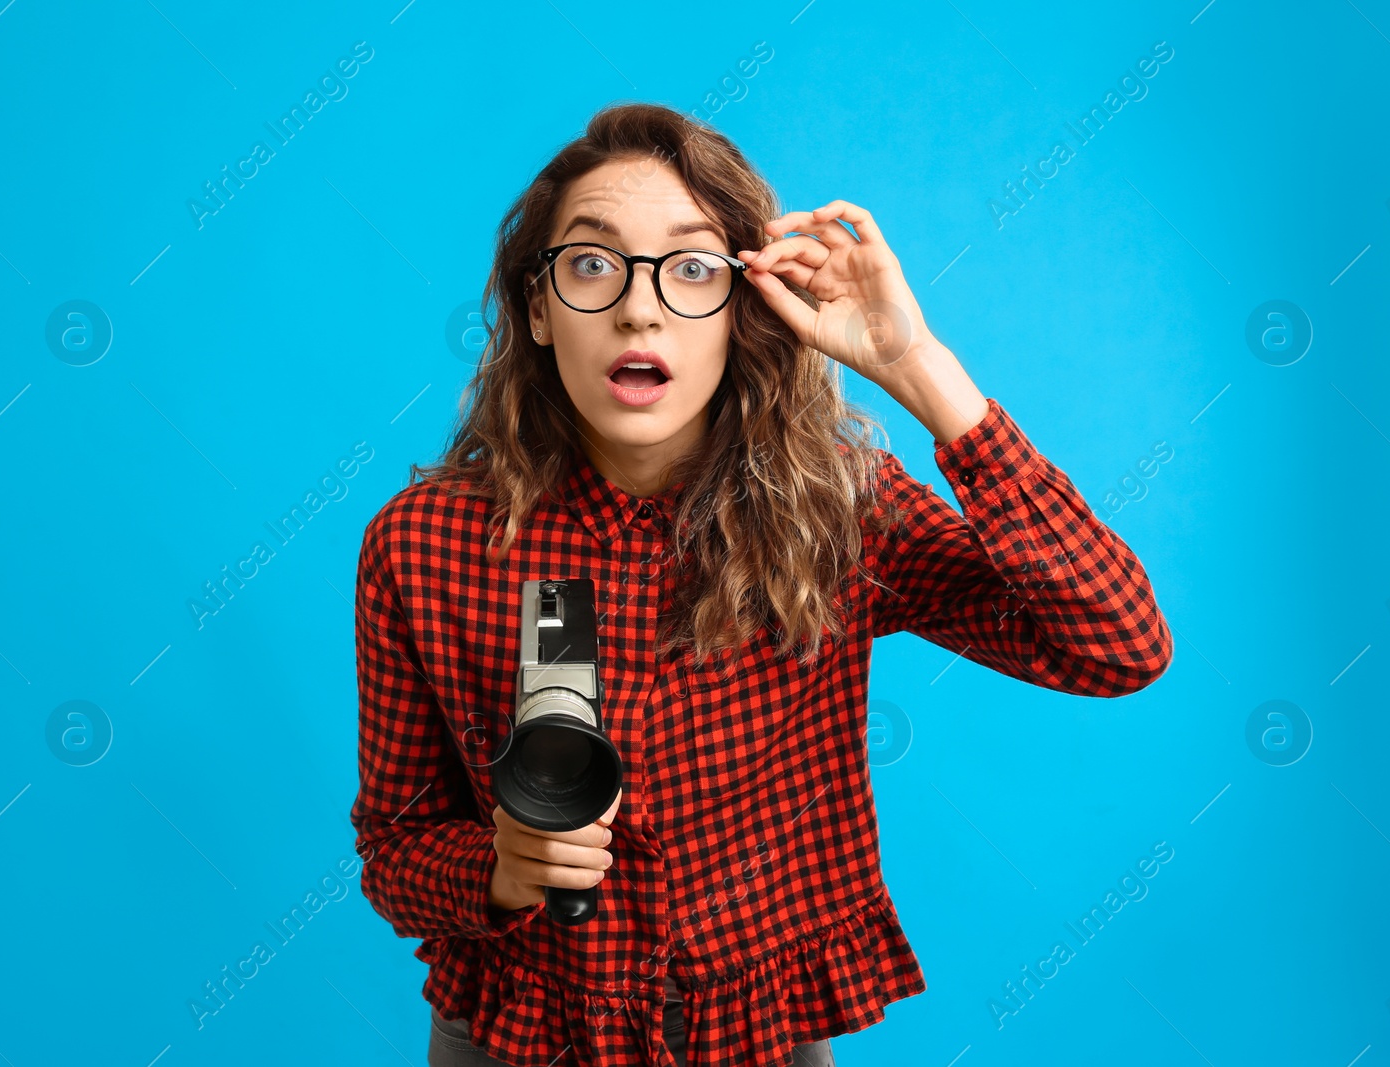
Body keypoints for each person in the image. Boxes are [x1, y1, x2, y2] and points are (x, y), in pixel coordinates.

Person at [349, 102, 1172, 1067]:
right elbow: (396, 848)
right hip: (520, 1035)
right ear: (537, 306)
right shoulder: (425, 544)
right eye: (590, 262)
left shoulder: (839, 510)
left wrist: (918, 368)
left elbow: (1119, 646)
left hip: (755, 1040)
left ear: (746, 308)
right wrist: (497, 869)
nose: (638, 307)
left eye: (692, 267)